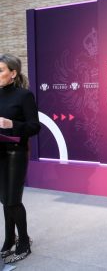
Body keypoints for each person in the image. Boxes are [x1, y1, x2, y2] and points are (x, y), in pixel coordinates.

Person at [0, 54, 40, 263]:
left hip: (16, 152)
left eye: (1, 70)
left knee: (13, 201)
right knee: (4, 200)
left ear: (13, 73)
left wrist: (12, 125)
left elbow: (35, 127)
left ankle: (24, 242)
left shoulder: (24, 96)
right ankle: (9, 240)